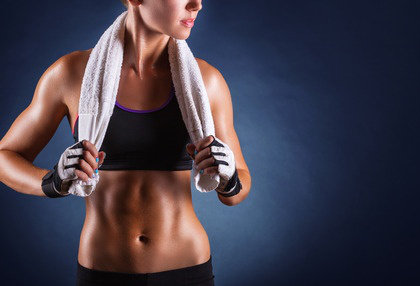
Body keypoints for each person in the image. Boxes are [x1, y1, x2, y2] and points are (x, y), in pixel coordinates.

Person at [0, 0, 252, 285]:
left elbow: (237, 189)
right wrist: (52, 181)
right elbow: (5, 156)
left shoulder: (207, 81)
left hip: (188, 268)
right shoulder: (71, 74)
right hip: (103, 271)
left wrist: (229, 178)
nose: (197, 5)